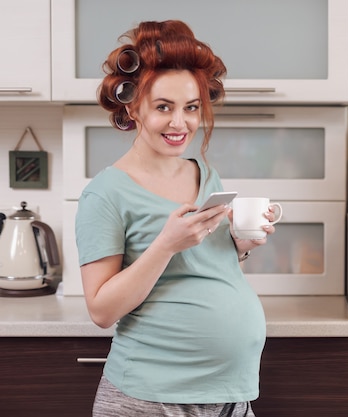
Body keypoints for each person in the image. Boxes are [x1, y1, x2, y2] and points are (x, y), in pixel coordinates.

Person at [75, 20, 274, 417]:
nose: (180, 123)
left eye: (191, 107)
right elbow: (101, 310)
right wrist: (166, 243)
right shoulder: (105, 193)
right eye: (163, 107)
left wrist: (238, 246)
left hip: (232, 396)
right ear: (133, 106)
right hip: (152, 399)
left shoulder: (204, 173)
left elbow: (196, 267)